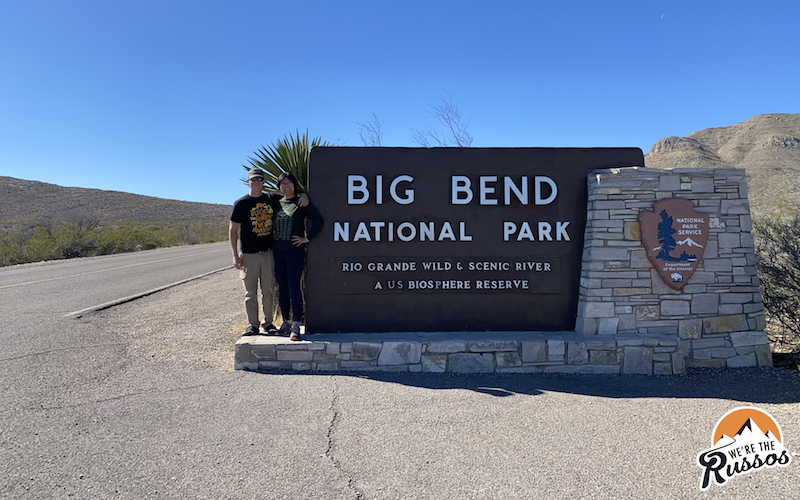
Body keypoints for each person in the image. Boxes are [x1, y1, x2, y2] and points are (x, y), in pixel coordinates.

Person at [229, 168, 308, 336]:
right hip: (249, 254)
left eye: (260, 179)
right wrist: (235, 255)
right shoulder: (241, 203)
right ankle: (253, 324)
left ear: (264, 182)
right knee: (250, 292)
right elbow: (233, 229)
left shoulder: (272, 199)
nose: (257, 182)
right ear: (247, 181)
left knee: (269, 289)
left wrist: (303, 195)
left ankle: (268, 323)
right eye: (253, 179)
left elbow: (291, 197)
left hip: (269, 252)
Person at [273, 172, 323, 340]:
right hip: (278, 252)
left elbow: (318, 220)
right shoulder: (275, 202)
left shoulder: (301, 202)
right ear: (279, 186)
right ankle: (285, 322)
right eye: (283, 184)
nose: (286, 186)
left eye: (289, 183)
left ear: (294, 185)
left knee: (294, 286)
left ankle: (296, 325)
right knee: (282, 287)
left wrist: (306, 238)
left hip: (294, 252)